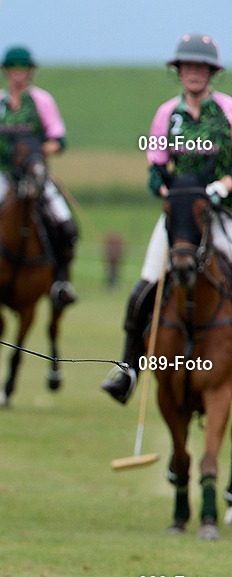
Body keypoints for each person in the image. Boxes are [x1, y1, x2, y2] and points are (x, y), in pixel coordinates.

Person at [101, 33, 232, 403]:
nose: (194, 72)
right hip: (179, 219)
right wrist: (169, 195)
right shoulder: (166, 114)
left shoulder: (228, 110)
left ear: (211, 72)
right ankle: (128, 370)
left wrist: (223, 184)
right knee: (144, 286)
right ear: (179, 71)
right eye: (187, 66)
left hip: (220, 213)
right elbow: (155, 171)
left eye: (201, 66)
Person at [0, 46, 79, 309]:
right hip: (2, 175)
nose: (19, 75)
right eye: (14, 70)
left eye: (23, 70)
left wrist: (38, 150)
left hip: (34, 176)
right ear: (7, 72)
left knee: (66, 226)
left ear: (30, 72)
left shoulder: (41, 100)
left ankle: (60, 282)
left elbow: (59, 140)